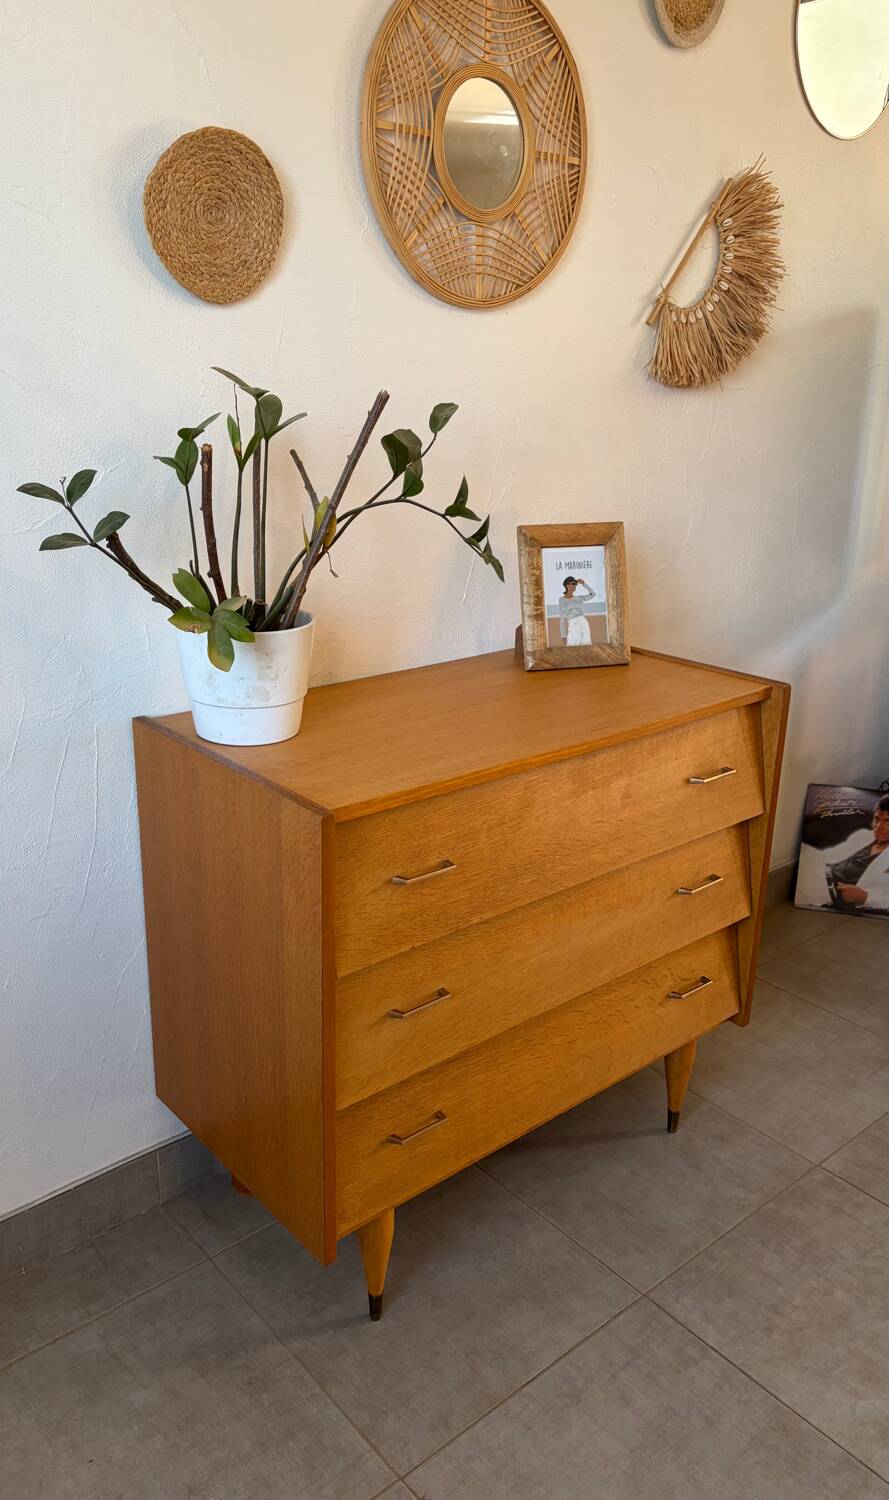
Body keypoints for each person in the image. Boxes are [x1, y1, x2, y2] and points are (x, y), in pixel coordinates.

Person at [825, 795, 889, 913]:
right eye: (877, 819)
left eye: (887, 821)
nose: (879, 827)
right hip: (821, 882)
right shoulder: (863, 836)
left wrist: (865, 896)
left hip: (840, 906)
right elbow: (827, 856)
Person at [558, 575, 595, 646]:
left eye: (576, 584)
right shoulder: (561, 600)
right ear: (567, 585)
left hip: (583, 622)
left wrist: (584, 584)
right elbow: (562, 618)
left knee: (586, 647)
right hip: (572, 624)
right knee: (572, 649)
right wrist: (563, 635)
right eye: (573, 584)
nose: (575, 586)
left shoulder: (578, 598)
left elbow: (593, 594)